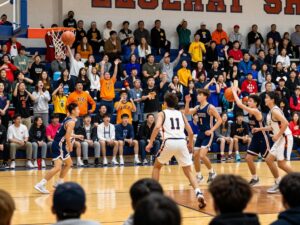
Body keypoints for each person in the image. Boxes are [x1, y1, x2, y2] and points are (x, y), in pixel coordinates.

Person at [146, 93, 206, 208]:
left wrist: (150, 143)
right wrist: (190, 144)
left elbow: (157, 127)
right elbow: (191, 132)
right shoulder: (181, 113)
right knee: (188, 171)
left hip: (169, 141)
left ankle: (154, 195)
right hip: (182, 142)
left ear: (164, 103)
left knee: (157, 166)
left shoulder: (162, 113)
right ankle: (198, 192)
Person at [231, 87, 279, 187]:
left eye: (250, 101)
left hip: (263, 138)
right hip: (256, 138)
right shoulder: (250, 111)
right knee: (248, 158)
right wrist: (239, 92)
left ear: (256, 103)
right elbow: (241, 104)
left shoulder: (256, 111)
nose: (248, 102)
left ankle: (278, 181)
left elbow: (239, 104)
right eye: (248, 100)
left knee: (268, 160)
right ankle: (255, 178)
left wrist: (234, 92)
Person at [253, 92, 293, 193]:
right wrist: (259, 129)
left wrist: (277, 135)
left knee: (281, 164)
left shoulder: (275, 111)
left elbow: (286, 123)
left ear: (272, 100)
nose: (265, 99)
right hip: (280, 138)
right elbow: (272, 127)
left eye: (267, 97)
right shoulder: (271, 112)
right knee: (269, 159)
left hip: (284, 137)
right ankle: (278, 182)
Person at [34, 103, 79, 194]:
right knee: (58, 167)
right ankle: (41, 184)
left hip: (58, 144)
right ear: (73, 111)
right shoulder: (71, 122)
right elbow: (67, 136)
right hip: (59, 145)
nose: (79, 111)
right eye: (77, 109)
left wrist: (77, 136)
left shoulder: (68, 118)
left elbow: (65, 133)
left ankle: (59, 182)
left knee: (69, 163)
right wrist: (70, 146)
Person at [185, 89, 222, 183]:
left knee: (202, 155)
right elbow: (187, 112)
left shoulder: (210, 107)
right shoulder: (197, 107)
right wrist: (187, 102)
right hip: (201, 133)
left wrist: (211, 130)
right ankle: (199, 176)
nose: (197, 96)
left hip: (208, 133)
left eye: (199, 95)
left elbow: (219, 120)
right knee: (195, 155)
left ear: (205, 96)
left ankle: (212, 173)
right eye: (197, 95)